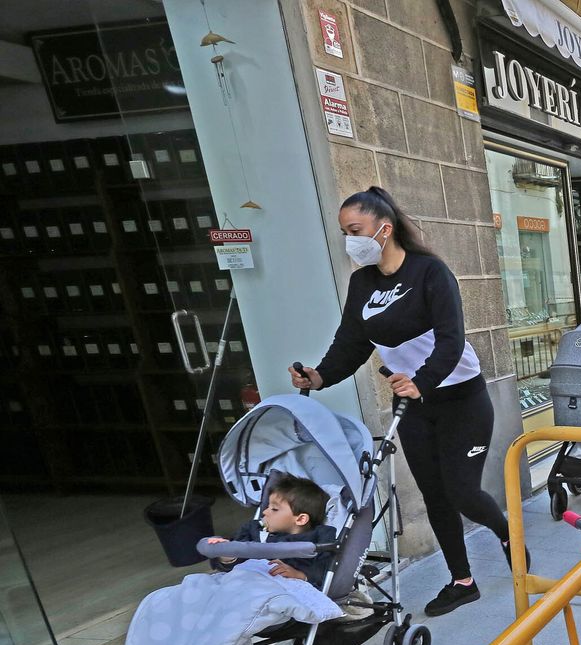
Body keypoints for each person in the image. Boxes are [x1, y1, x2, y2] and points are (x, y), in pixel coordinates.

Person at [290, 186, 515, 618]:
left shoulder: (430, 272)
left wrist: (423, 381)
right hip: (415, 405)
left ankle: (508, 534)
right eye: (344, 232)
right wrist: (318, 376)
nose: (349, 240)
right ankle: (462, 581)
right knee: (435, 495)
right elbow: (351, 344)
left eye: (355, 230)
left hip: (460, 398)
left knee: (464, 492)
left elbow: (452, 341)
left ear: (384, 228)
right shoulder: (362, 284)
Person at [207, 475, 337, 588]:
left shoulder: (320, 537)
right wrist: (227, 555)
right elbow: (237, 564)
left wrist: (301, 575)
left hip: (285, 593)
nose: (264, 512)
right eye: (267, 506)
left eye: (274, 509)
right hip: (248, 584)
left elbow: (326, 569)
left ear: (301, 519)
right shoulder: (253, 530)